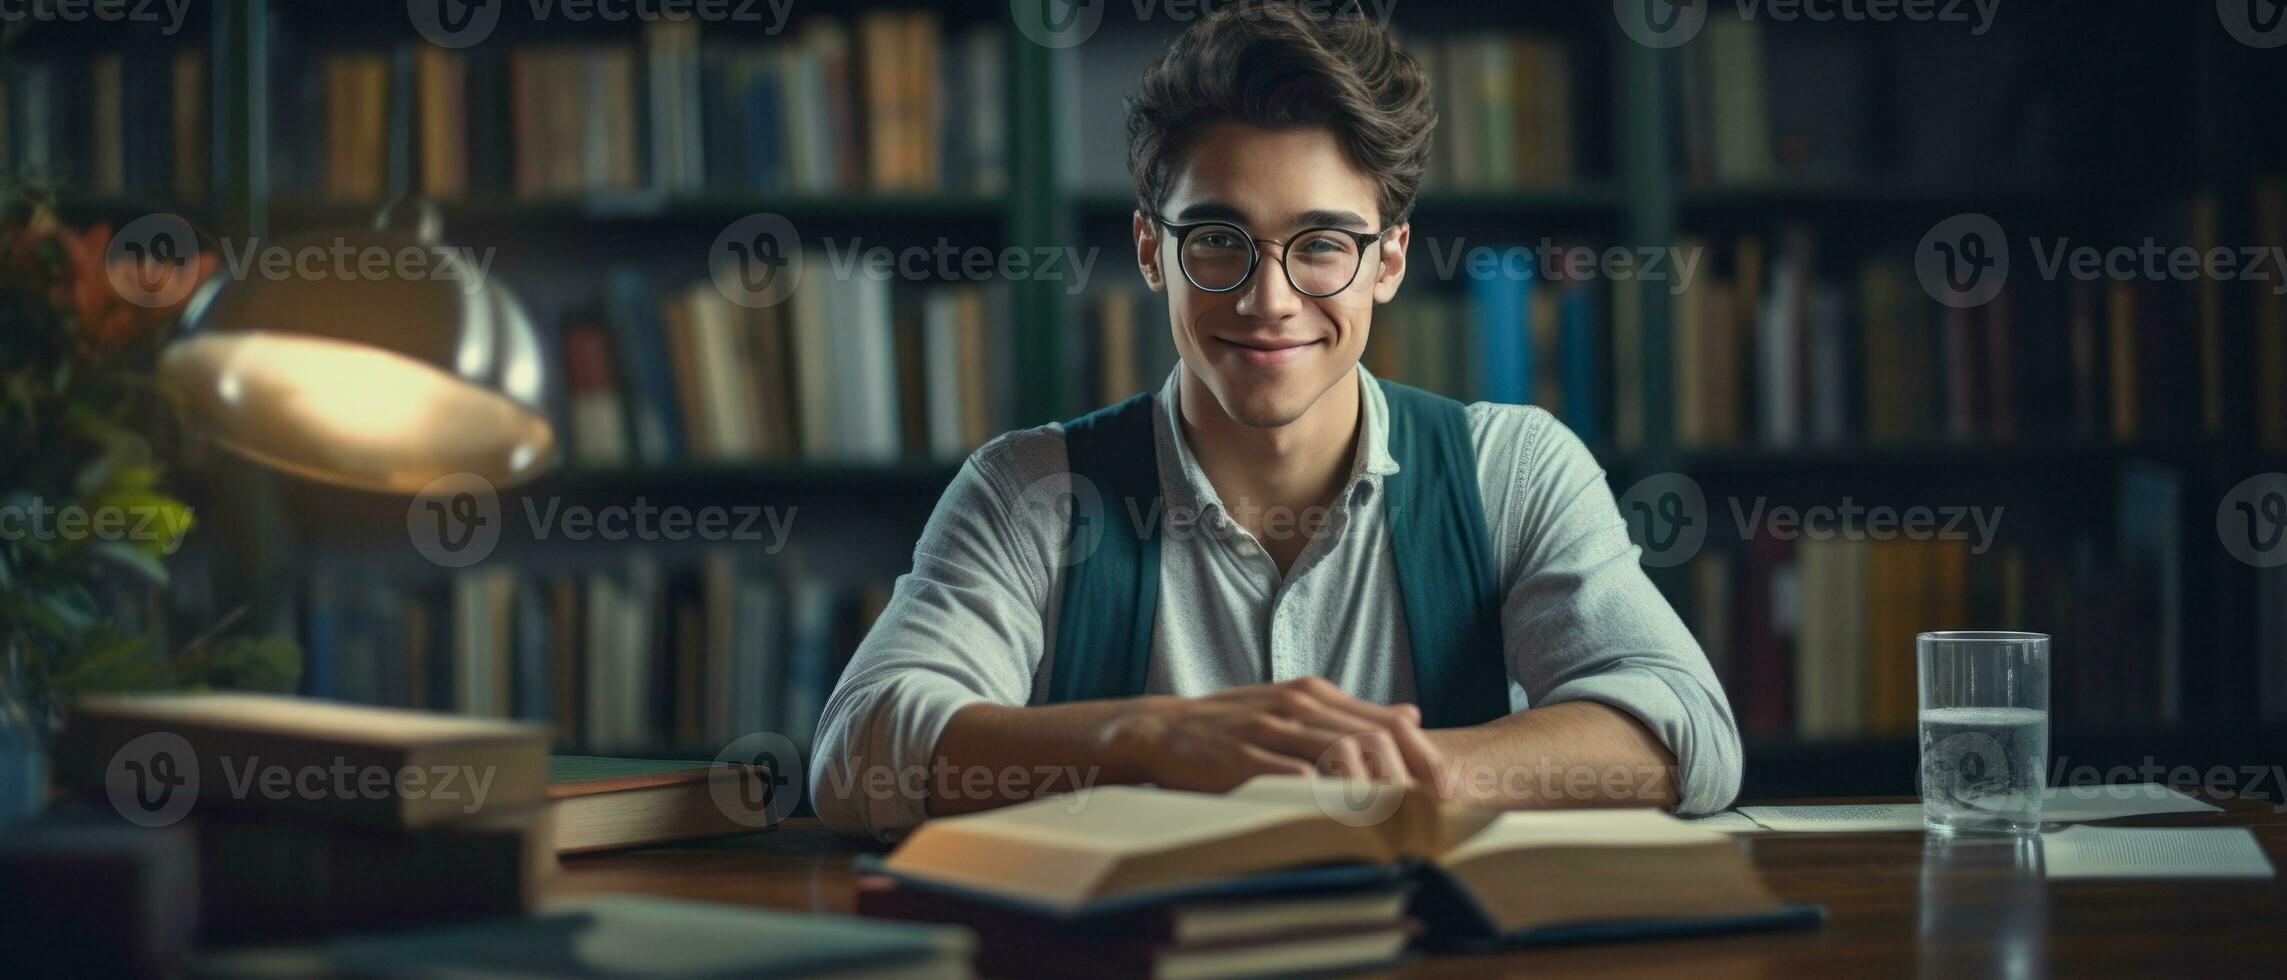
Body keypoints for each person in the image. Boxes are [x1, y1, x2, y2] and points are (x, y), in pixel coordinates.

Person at [810, 2, 1739, 841]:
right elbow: (855, 751)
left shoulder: (1516, 470)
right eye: (1218, 242)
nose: (1268, 300)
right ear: (1148, 251)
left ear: (1388, 262)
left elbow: (1684, 726)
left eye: (1323, 246)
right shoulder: (1032, 491)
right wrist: (1149, 739)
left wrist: (1405, 771)